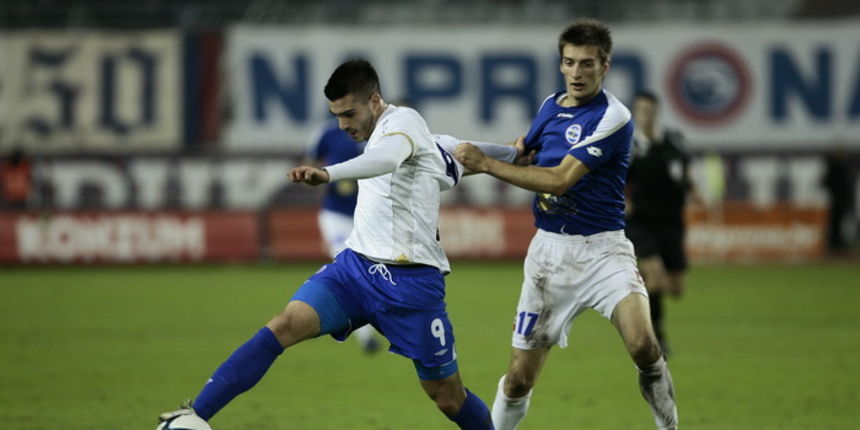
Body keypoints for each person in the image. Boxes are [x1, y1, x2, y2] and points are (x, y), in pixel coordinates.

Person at [159, 59, 520, 429]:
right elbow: (462, 150)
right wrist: (515, 152)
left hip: (411, 286)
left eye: (349, 113)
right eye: (336, 115)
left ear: (376, 101)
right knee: (283, 325)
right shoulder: (424, 143)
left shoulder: (404, 122)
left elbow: (386, 159)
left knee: (448, 397)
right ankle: (194, 417)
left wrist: (328, 174)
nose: (343, 124)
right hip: (355, 271)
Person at [454, 19, 678, 430]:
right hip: (549, 258)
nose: (577, 72)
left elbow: (559, 179)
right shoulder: (549, 106)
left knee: (645, 345)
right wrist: (454, 165)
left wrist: (485, 164)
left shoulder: (614, 116)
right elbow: (523, 154)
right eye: (570, 63)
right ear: (560, 65)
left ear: (605, 66)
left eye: (587, 64)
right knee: (519, 379)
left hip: (604, 251)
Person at [625, 90, 694, 354]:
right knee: (654, 278)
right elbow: (618, 179)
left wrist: (694, 190)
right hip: (642, 221)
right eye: (641, 110)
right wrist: (624, 202)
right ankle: (657, 337)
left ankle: (633, 289)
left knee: (675, 288)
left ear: (657, 112)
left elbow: (684, 172)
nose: (646, 114)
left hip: (672, 221)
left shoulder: (673, 142)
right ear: (635, 113)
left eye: (650, 109)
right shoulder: (631, 147)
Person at [305, 117, 382, 353]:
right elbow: (310, 161)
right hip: (335, 214)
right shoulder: (327, 132)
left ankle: (380, 324)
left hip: (369, 216)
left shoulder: (379, 131)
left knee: (375, 270)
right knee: (348, 267)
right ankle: (365, 335)